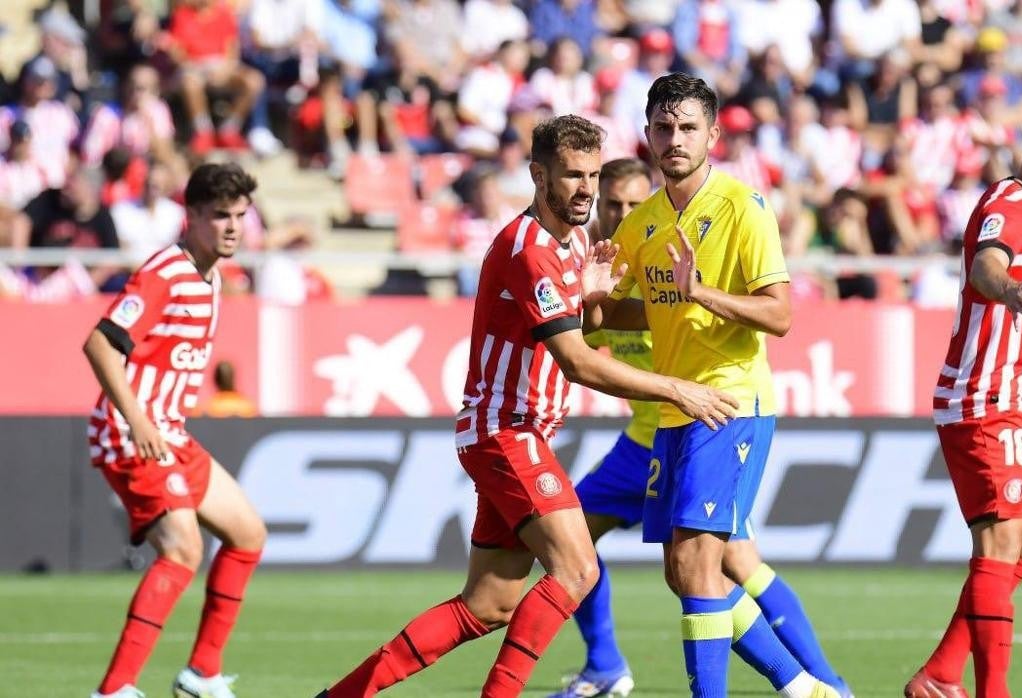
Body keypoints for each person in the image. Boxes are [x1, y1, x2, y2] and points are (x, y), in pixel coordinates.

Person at [314, 114, 737, 698]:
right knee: (579, 568)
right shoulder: (527, 249)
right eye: (572, 175)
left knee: (487, 606)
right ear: (539, 176)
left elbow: (587, 332)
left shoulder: (575, 242)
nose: (586, 188)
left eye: (592, 174)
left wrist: (601, 299)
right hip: (504, 432)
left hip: (517, 434)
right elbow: (578, 362)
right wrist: (678, 388)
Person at [554, 157, 852, 698]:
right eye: (611, 204)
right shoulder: (627, 246)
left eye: (629, 201)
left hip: (718, 413)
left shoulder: (732, 213)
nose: (619, 211)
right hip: (657, 433)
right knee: (668, 568)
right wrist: (591, 295)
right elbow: (596, 327)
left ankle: (821, 682)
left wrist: (698, 293)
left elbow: (776, 315)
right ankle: (805, 687)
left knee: (724, 565)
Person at [904, 102, 1022, 698]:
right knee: (1000, 543)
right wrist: (1007, 288)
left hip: (1016, 403)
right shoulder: (1007, 206)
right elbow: (988, 264)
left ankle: (939, 673)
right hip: (984, 401)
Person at [84, 163, 269, 698]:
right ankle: (114, 689)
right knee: (184, 550)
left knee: (248, 535)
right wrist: (138, 419)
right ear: (190, 216)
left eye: (239, 215)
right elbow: (100, 344)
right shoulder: (166, 273)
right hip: (132, 433)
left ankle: (201, 674)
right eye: (219, 216)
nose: (232, 227)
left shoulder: (212, 274)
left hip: (170, 433)